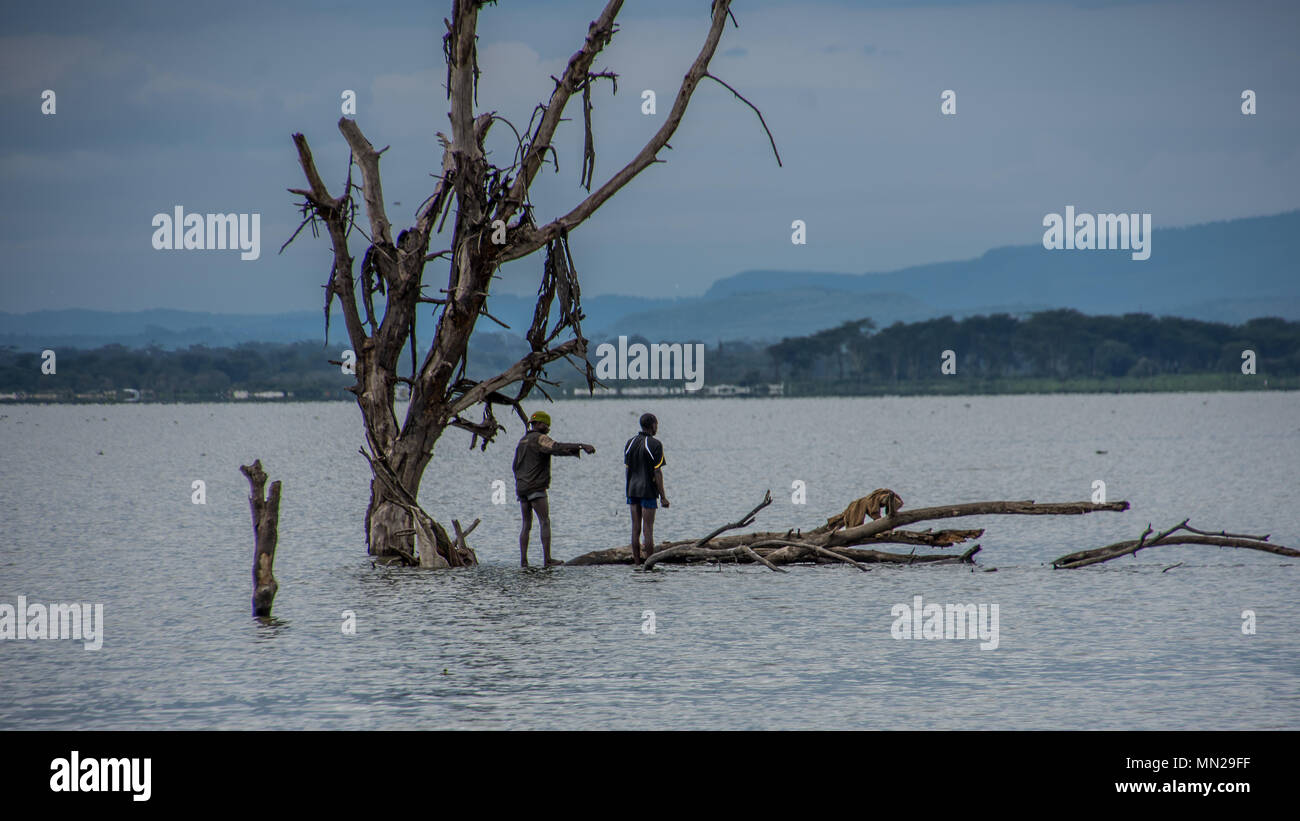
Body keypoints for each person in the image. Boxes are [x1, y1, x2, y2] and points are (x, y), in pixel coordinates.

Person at [512, 410, 595, 567]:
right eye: (546, 425)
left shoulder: (522, 441)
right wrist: (581, 445)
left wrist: (521, 483)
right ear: (539, 424)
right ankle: (548, 559)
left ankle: (523, 561)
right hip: (536, 488)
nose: (548, 429)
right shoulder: (540, 438)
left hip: (522, 488)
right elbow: (556, 447)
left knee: (526, 525)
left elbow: (514, 465)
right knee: (545, 522)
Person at [624, 412, 669, 565]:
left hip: (632, 490)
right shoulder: (655, 444)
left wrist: (628, 489)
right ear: (652, 425)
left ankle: (637, 563)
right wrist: (663, 496)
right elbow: (657, 472)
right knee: (648, 530)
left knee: (635, 528)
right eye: (657, 425)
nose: (657, 428)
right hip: (648, 491)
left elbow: (627, 469)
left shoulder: (630, 443)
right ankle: (650, 564)